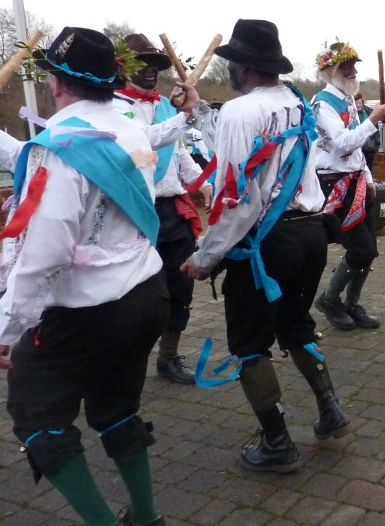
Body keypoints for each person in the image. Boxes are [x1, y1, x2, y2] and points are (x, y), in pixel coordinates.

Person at [2, 27, 168, 526]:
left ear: (54, 84)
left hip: (84, 316)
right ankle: (146, 517)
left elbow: (42, 258)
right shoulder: (130, 126)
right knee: (116, 408)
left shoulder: (59, 147)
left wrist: (8, 331)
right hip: (145, 295)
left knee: (38, 418)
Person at [179, 19, 350, 473]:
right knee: (295, 323)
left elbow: (235, 199)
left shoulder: (241, 111)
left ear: (244, 67)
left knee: (249, 341)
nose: (230, 69)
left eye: (232, 62)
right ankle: (329, 407)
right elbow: (250, 149)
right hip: (312, 233)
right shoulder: (295, 99)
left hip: (270, 244)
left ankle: (277, 442)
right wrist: (198, 112)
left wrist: (205, 256)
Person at [113, 34, 211, 384]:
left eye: (155, 65)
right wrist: (184, 116)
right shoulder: (113, 107)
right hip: (138, 214)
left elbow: (179, 151)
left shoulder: (168, 107)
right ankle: (125, 360)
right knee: (143, 294)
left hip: (174, 212)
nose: (150, 72)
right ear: (123, 68)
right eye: (142, 64)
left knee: (181, 286)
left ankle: (168, 357)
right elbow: (142, 148)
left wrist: (203, 182)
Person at [311, 42, 385, 331]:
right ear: (331, 71)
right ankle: (329, 300)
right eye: (347, 66)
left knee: (370, 249)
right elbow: (343, 142)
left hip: (357, 181)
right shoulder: (322, 104)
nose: (354, 71)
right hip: (335, 185)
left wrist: (368, 178)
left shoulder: (346, 100)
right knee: (361, 249)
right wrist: (372, 120)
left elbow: (356, 150)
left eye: (354, 65)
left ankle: (350, 303)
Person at [354, 93, 381, 171]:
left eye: (360, 103)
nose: (358, 105)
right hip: (357, 147)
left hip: (369, 147)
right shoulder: (351, 114)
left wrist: (377, 143)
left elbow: (376, 129)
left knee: (368, 168)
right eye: (356, 103)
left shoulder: (369, 112)